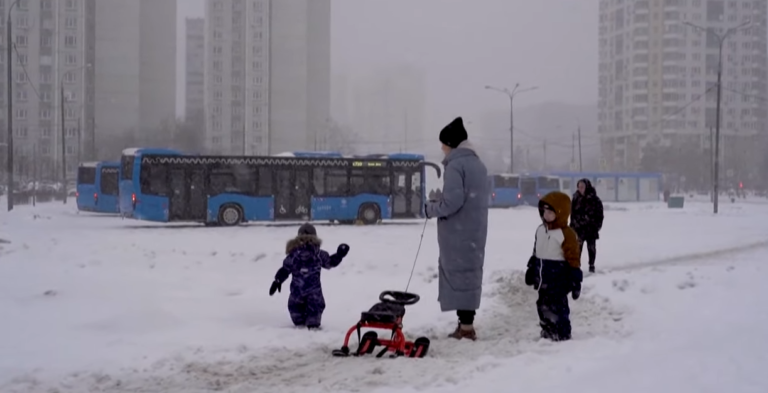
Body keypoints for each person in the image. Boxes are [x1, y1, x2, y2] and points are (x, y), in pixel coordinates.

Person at [425, 116, 489, 341]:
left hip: (458, 233)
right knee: (469, 276)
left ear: (451, 143)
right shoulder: (478, 165)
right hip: (474, 232)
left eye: (443, 143)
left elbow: (452, 203)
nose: (442, 148)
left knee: (459, 276)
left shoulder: (455, 166)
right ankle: (466, 325)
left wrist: (431, 208)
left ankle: (465, 329)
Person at [525, 191, 582, 341]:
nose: (547, 214)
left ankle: (562, 332)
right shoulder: (540, 230)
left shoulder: (566, 234)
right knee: (542, 305)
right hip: (543, 279)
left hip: (558, 279)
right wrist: (532, 267)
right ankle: (547, 329)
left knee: (559, 307)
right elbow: (536, 250)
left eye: (551, 211)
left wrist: (575, 278)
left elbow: (573, 258)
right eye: (544, 211)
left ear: (561, 212)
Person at [269, 223, 350, 330]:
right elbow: (330, 263)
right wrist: (339, 255)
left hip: (296, 294)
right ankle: (313, 330)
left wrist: (278, 280)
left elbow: (285, 269)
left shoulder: (293, 255)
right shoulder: (319, 254)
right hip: (314, 295)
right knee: (313, 322)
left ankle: (299, 331)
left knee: (298, 321)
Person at [570, 179, 604, 273]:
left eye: (582, 187)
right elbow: (572, 214)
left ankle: (591, 265)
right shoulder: (576, 198)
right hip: (578, 229)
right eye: (579, 187)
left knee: (591, 248)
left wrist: (597, 226)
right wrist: (572, 226)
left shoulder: (594, 200)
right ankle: (576, 266)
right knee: (577, 248)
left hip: (590, 229)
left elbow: (599, 214)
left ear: (587, 187)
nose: (580, 189)